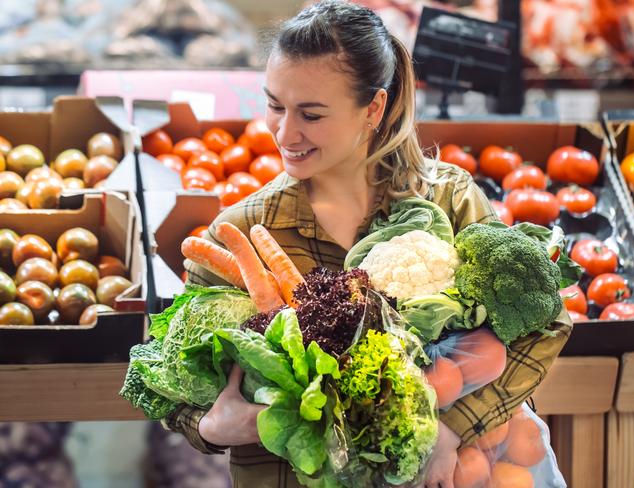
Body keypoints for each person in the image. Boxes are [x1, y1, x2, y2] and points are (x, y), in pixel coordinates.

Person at [162, 1, 573, 487]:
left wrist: (452, 430)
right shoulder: (242, 229)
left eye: (311, 115)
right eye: (274, 105)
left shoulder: (449, 198)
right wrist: (213, 426)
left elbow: (542, 328)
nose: (284, 133)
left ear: (373, 108)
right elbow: (174, 388)